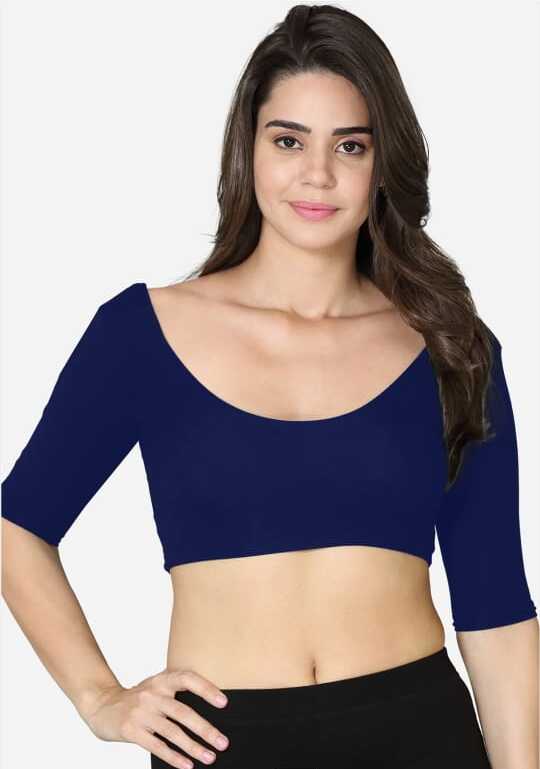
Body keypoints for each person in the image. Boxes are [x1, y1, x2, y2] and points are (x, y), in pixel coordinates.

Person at [2, 5, 538, 769]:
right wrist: (99, 696)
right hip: (223, 742)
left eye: (350, 145)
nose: (317, 173)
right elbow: (18, 525)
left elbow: (497, 611)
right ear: (248, 149)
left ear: (382, 163)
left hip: (420, 733)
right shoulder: (142, 334)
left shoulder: (453, 348)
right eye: (288, 140)